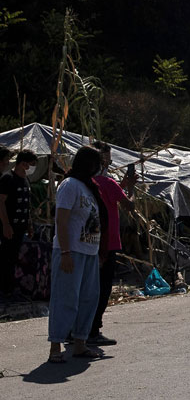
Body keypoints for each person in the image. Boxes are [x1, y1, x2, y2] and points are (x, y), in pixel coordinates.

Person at [47, 146, 108, 363]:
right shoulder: (70, 185)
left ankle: (80, 343)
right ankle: (55, 346)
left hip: (89, 252)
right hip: (70, 251)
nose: (99, 167)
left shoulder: (89, 187)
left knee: (88, 299)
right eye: (97, 163)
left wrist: (99, 253)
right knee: (66, 298)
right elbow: (61, 220)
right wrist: (65, 252)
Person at [88, 142, 136, 346]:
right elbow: (129, 205)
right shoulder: (108, 182)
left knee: (88, 287)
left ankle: (79, 329)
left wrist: (121, 186)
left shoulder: (86, 182)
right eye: (107, 160)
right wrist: (131, 188)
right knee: (102, 288)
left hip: (90, 241)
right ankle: (93, 330)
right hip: (108, 242)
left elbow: (109, 198)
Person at [0, 151, 38, 299]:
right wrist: (6, 224)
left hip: (21, 227)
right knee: (5, 258)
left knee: (13, 257)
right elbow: (1, 203)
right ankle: (5, 290)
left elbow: (26, 205)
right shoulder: (8, 179)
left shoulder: (25, 180)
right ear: (23, 164)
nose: (33, 168)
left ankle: (10, 287)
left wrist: (29, 224)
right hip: (9, 227)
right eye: (32, 164)